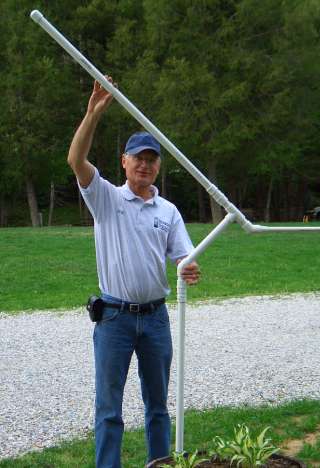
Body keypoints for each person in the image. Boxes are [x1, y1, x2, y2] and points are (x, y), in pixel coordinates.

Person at [67, 77, 200, 468]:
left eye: (151, 158)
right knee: (109, 408)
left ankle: (159, 463)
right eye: (137, 157)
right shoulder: (106, 198)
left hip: (156, 319)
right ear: (124, 162)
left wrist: (188, 268)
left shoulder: (168, 211)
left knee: (158, 406)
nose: (145, 164)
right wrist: (92, 113)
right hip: (114, 319)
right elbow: (76, 160)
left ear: (159, 165)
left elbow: (185, 257)